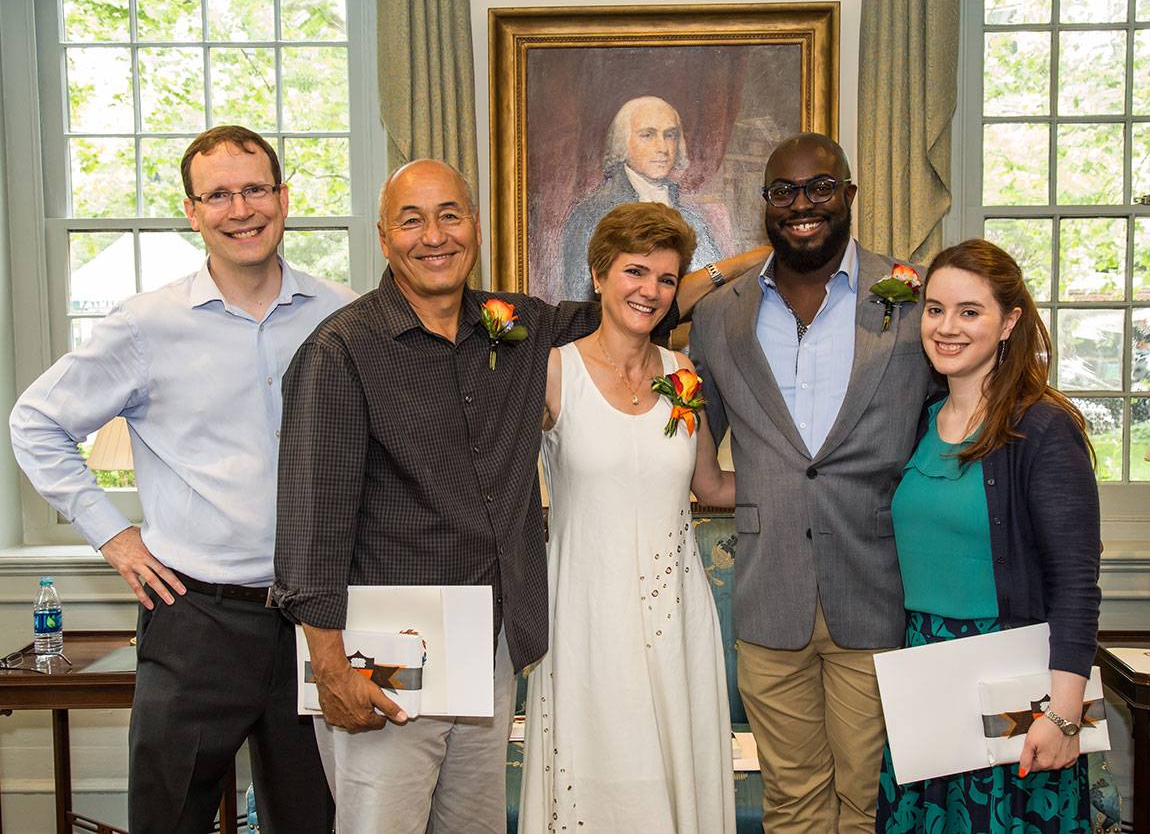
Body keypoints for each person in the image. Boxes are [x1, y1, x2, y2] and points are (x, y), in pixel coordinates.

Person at [271, 160, 755, 833]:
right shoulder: (341, 350)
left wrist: (762, 259)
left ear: (474, 226)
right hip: (384, 644)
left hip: (488, 642)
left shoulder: (518, 329)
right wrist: (329, 665)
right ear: (385, 238)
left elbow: (634, 304)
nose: (434, 235)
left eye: (450, 215)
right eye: (412, 220)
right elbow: (310, 520)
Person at [8, 125, 353, 832]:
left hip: (318, 617)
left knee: (316, 819)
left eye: (255, 188)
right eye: (218, 195)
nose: (241, 208)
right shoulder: (143, 326)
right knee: (168, 818)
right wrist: (115, 537)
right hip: (196, 618)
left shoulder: (344, 315)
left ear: (284, 199)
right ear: (192, 212)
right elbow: (34, 423)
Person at [688, 132, 934, 832]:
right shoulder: (719, 315)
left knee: (867, 805)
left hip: (879, 593)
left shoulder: (914, 301)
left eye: (821, 188)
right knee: (793, 807)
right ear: (764, 205)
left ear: (849, 196)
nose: (803, 205)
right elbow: (694, 452)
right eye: (784, 191)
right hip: (770, 602)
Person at [520, 202, 736, 832]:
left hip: (676, 609)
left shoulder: (684, 375)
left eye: (667, 280)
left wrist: (815, 486)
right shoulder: (554, 372)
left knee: (672, 771)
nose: (651, 291)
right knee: (597, 771)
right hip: (585, 607)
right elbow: (498, 483)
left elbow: (711, 484)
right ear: (598, 274)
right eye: (635, 272)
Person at [875, 238, 1102, 831]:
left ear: (1009, 323)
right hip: (924, 673)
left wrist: (1063, 715)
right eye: (935, 309)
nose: (947, 327)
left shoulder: (1043, 428)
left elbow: (1076, 585)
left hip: (1013, 683)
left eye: (969, 312)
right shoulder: (919, 420)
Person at [560, 95, 725, 300]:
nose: (662, 148)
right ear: (623, 141)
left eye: (670, 135)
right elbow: (580, 304)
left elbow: (717, 295)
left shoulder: (693, 221)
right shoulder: (590, 216)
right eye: (647, 135)